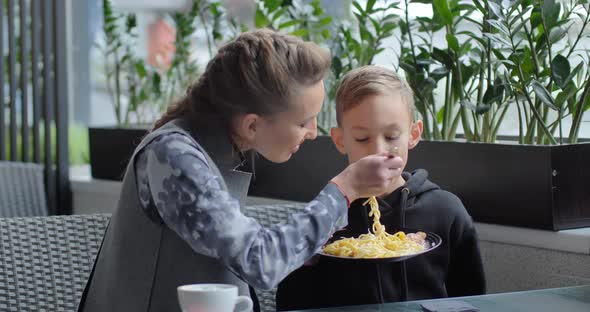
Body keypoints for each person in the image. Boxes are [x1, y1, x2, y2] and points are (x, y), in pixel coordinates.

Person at [79, 30, 404, 312]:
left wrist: (301, 246)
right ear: (252, 125)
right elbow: (259, 262)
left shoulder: (210, 146)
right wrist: (344, 188)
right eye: (304, 121)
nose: (313, 132)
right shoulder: (173, 157)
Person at [276, 65, 486, 310]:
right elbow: (291, 303)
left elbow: (472, 298)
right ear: (340, 140)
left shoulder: (446, 210)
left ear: (413, 134)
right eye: (362, 139)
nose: (377, 150)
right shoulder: (325, 215)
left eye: (391, 136)